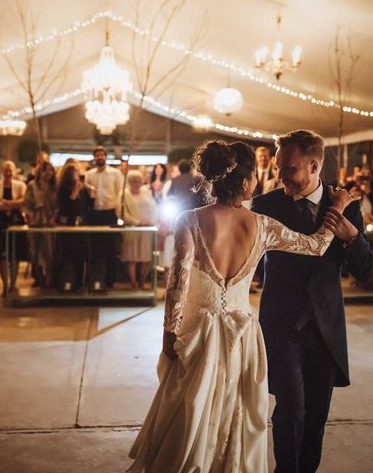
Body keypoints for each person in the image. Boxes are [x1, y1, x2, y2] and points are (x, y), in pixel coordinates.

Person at [128, 139, 356, 472]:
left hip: (198, 336)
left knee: (193, 411)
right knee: (235, 412)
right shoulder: (260, 225)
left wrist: (169, 333)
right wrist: (338, 207)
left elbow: (177, 285)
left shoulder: (189, 220)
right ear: (248, 183)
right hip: (242, 337)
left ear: (213, 178)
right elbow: (317, 245)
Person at [252, 130, 373, 472]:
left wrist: (352, 238)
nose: (280, 176)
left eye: (288, 168)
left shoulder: (346, 207)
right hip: (281, 323)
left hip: (325, 327)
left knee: (317, 414)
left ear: (314, 165)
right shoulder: (265, 206)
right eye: (279, 167)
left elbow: (366, 271)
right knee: (290, 410)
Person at [85, 146, 123, 289]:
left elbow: (119, 193)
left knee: (110, 248)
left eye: (102, 154)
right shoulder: (89, 174)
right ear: (94, 157)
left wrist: (118, 214)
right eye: (97, 155)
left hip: (110, 213)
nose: (100, 157)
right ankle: (95, 280)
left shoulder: (115, 173)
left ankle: (110, 280)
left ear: (106, 157)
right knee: (95, 248)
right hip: (94, 213)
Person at [55, 162, 93, 291]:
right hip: (68, 224)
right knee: (67, 254)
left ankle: (79, 281)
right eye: (75, 172)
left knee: (81, 254)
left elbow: (87, 205)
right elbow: (66, 206)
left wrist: (90, 192)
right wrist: (75, 191)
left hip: (82, 224)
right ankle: (64, 281)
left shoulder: (82, 189)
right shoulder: (63, 189)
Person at [0, 161, 26, 294]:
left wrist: (7, 203)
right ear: (2, 171)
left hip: (16, 221)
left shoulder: (20, 185)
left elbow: (23, 202)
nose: (8, 173)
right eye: (6, 170)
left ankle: (13, 283)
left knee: (15, 254)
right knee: (2, 255)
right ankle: (5, 285)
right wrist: (14, 204)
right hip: (0, 222)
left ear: (14, 171)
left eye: (10, 170)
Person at [25, 160, 57, 288]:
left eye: (50, 170)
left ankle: (49, 282)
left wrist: (53, 218)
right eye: (45, 170)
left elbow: (57, 206)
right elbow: (27, 203)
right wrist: (31, 216)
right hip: (35, 223)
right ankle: (40, 280)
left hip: (49, 223)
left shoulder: (54, 186)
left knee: (49, 254)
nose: (48, 173)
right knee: (35, 253)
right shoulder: (32, 185)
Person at [122, 170, 157, 289]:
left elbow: (154, 207)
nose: (137, 183)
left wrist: (151, 221)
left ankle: (142, 281)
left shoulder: (146, 192)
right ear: (129, 182)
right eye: (134, 181)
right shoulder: (124, 194)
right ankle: (133, 283)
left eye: (139, 180)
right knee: (132, 257)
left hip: (147, 229)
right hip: (132, 228)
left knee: (146, 256)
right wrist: (137, 222)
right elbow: (122, 213)